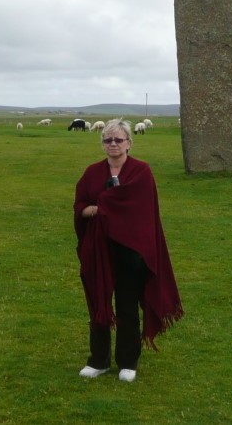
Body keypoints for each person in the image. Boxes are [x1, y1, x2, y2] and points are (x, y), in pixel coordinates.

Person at [73, 118, 183, 382]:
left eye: (118, 140)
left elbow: (142, 212)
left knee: (127, 305)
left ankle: (127, 362)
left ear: (129, 144)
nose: (113, 144)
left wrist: (105, 207)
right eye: (108, 140)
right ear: (102, 144)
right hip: (100, 249)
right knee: (98, 303)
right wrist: (100, 209)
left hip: (130, 250)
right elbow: (80, 208)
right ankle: (98, 360)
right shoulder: (92, 173)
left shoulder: (140, 172)